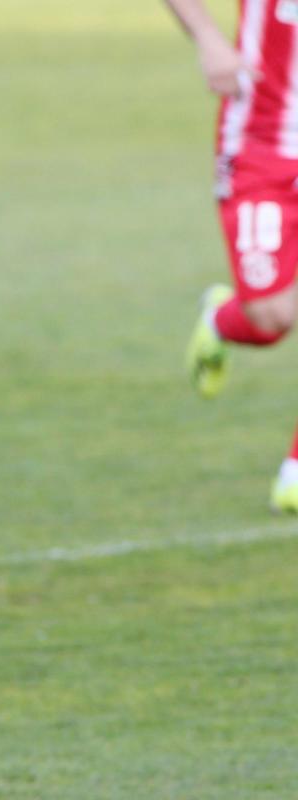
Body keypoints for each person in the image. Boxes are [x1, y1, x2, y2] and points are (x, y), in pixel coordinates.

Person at [166, 0, 298, 513]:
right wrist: (209, 38)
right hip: (260, 150)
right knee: (271, 317)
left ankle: (293, 472)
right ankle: (221, 320)